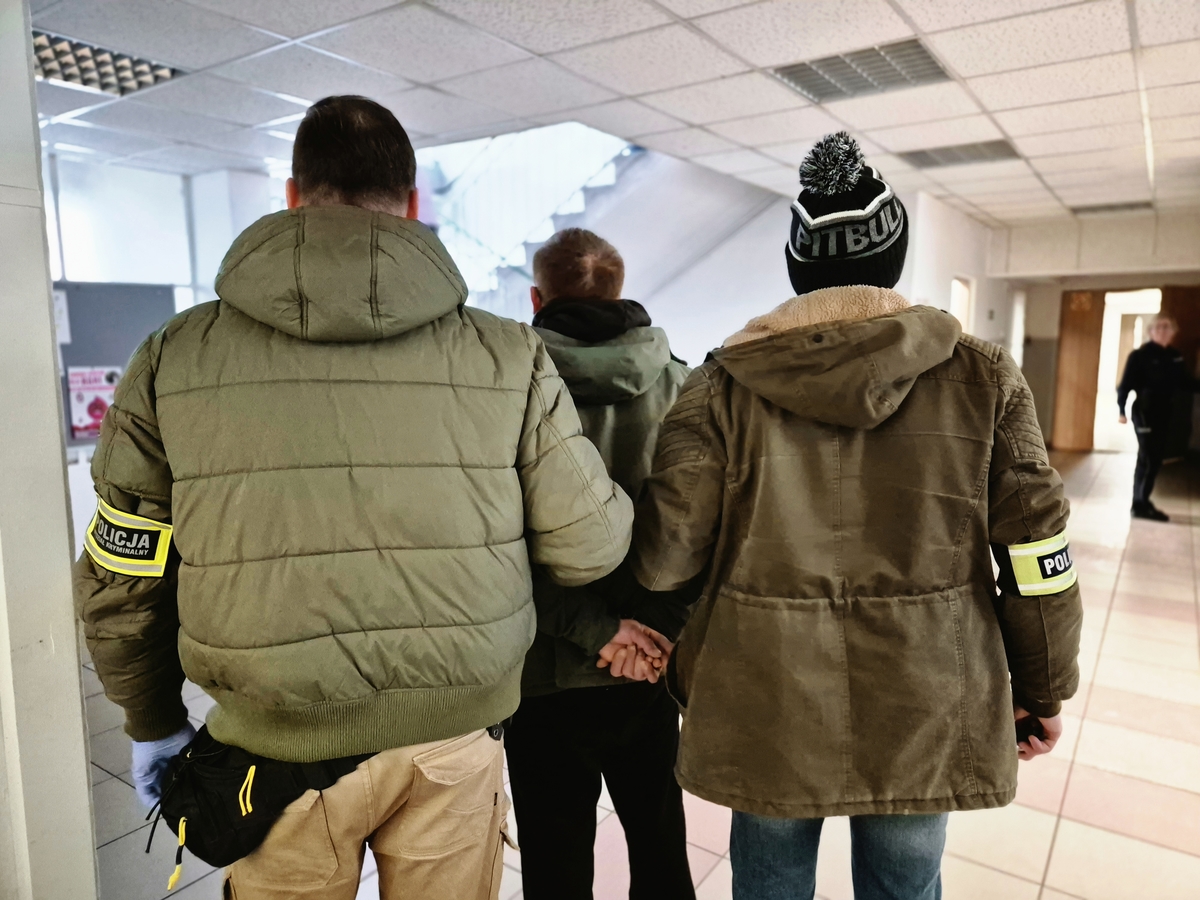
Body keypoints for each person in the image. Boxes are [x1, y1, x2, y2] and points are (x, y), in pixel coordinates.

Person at [73, 96, 633, 900]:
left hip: (270, 754)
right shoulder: (509, 353)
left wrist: (151, 720)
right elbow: (589, 547)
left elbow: (122, 574)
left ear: (293, 195)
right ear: (410, 203)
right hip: (453, 736)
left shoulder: (174, 353)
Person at [629, 133, 1084, 900]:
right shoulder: (984, 377)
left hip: (767, 694)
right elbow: (1038, 549)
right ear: (892, 259)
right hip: (926, 695)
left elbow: (668, 554)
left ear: (797, 266)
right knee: (905, 885)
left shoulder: (719, 387)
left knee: (768, 883)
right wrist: (1044, 686)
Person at [504, 228, 695, 900]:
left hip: (542, 671)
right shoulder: (684, 384)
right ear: (619, 291)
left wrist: (596, 631)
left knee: (555, 867)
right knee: (662, 851)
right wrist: (652, 629)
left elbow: (497, 546)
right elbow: (702, 533)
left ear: (537, 298)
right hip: (650, 667)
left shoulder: (505, 388)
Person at [1118, 313, 1188, 521]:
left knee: (1155, 460)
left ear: (1173, 332)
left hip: (1165, 413)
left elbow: (1186, 382)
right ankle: (1139, 505)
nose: (1162, 330)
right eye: (1158, 327)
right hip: (1144, 412)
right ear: (1150, 331)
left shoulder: (1175, 356)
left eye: (1166, 327)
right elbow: (1125, 385)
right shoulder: (1140, 355)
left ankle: (1142, 500)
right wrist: (1121, 410)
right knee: (1147, 459)